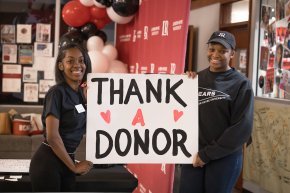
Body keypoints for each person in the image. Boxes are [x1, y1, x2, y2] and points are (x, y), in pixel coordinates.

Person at [179, 31, 254, 193]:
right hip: (194, 153)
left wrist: (207, 155)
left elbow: (241, 129)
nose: (216, 54)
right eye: (212, 49)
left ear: (232, 53)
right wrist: (182, 84)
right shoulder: (195, 79)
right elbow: (180, 112)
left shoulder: (241, 84)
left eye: (222, 51)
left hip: (224, 157)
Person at [29, 43, 93, 191]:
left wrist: (87, 100)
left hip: (68, 159)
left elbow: (87, 124)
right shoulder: (56, 93)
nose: (77, 65)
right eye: (70, 61)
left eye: (81, 60)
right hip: (48, 162)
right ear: (61, 66)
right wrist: (74, 167)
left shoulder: (79, 95)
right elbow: (52, 136)